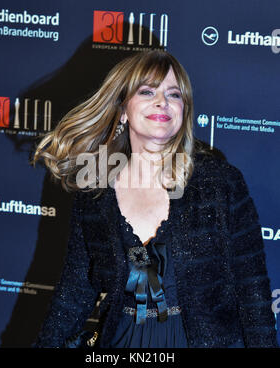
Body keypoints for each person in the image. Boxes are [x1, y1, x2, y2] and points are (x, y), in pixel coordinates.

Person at [32, 50, 278, 348]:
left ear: (184, 111)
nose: (162, 102)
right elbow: (75, 289)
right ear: (123, 109)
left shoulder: (220, 183)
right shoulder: (95, 192)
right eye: (147, 91)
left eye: (174, 95)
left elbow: (252, 291)